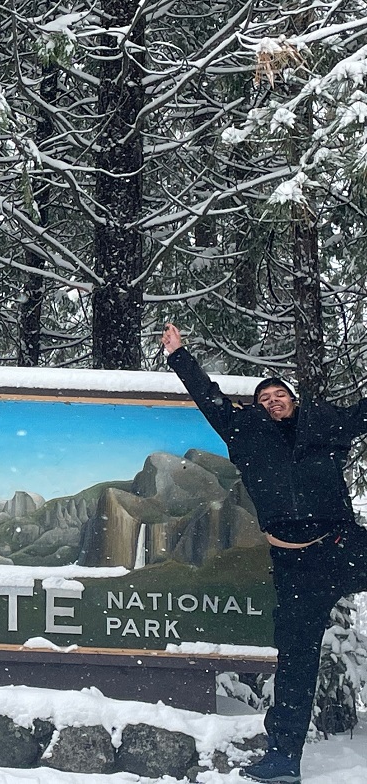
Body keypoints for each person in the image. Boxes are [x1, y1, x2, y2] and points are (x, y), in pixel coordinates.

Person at [162, 322, 367, 784]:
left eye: (280, 395)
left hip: (342, 545)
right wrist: (178, 354)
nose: (273, 400)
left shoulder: (326, 427)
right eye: (264, 398)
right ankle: (282, 760)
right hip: (295, 565)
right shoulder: (244, 433)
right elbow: (207, 395)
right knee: (295, 661)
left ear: (293, 400)